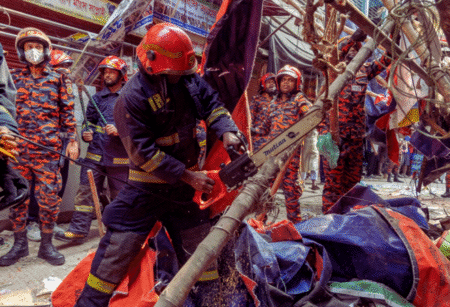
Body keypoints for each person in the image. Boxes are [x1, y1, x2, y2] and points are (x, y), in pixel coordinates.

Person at [73, 23, 242, 307]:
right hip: (146, 189)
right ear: (151, 63)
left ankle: (211, 303)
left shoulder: (187, 77)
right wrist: (189, 177)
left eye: (183, 73)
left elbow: (211, 103)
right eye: (174, 74)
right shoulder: (130, 98)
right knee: (114, 257)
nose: (180, 79)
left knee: (202, 256)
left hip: (184, 192)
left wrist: (227, 130)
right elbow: (143, 154)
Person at [0, 28, 78, 267]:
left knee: (48, 200)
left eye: (37, 46)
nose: (33, 51)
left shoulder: (58, 79)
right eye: (27, 47)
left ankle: (46, 246)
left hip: (48, 152)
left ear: (45, 50)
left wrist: (72, 141)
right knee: (19, 200)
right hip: (18, 152)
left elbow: (67, 112)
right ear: (22, 52)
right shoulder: (13, 78)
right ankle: (20, 246)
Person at [55, 55, 130, 244]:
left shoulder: (129, 98)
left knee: (120, 197)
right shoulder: (97, 98)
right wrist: (86, 133)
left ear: (121, 74)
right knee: (85, 193)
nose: (107, 75)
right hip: (95, 154)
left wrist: (120, 131)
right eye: (105, 71)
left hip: (119, 158)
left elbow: (140, 127)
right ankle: (78, 230)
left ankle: (119, 232)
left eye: (112, 71)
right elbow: (89, 123)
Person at [319, 28, 391, 213]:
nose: (352, 50)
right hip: (331, 135)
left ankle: (347, 217)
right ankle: (329, 218)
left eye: (357, 49)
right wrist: (351, 39)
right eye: (349, 48)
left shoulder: (364, 71)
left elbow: (386, 60)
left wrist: (393, 38)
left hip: (356, 135)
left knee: (352, 181)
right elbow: (335, 55)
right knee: (333, 181)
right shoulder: (333, 69)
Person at [25, 49, 77, 243]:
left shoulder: (68, 90)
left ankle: (49, 220)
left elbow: (70, 119)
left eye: (68, 68)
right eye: (62, 68)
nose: (67, 71)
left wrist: (73, 141)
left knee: (58, 184)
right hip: (43, 145)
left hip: (62, 145)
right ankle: (32, 222)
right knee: (37, 185)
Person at [260, 65, 312, 223]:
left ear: (296, 83)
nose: (286, 83)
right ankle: (261, 220)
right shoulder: (273, 103)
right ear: (278, 82)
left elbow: (311, 116)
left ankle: (295, 223)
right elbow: (265, 128)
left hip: (291, 154)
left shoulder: (299, 99)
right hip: (272, 153)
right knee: (265, 189)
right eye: (283, 80)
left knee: (290, 190)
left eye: (290, 80)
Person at [249, 72, 277, 151]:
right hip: (258, 138)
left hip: (273, 139)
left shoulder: (278, 101)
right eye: (268, 82)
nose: (271, 84)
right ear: (263, 84)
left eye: (273, 82)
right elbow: (250, 117)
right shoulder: (257, 99)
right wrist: (250, 132)